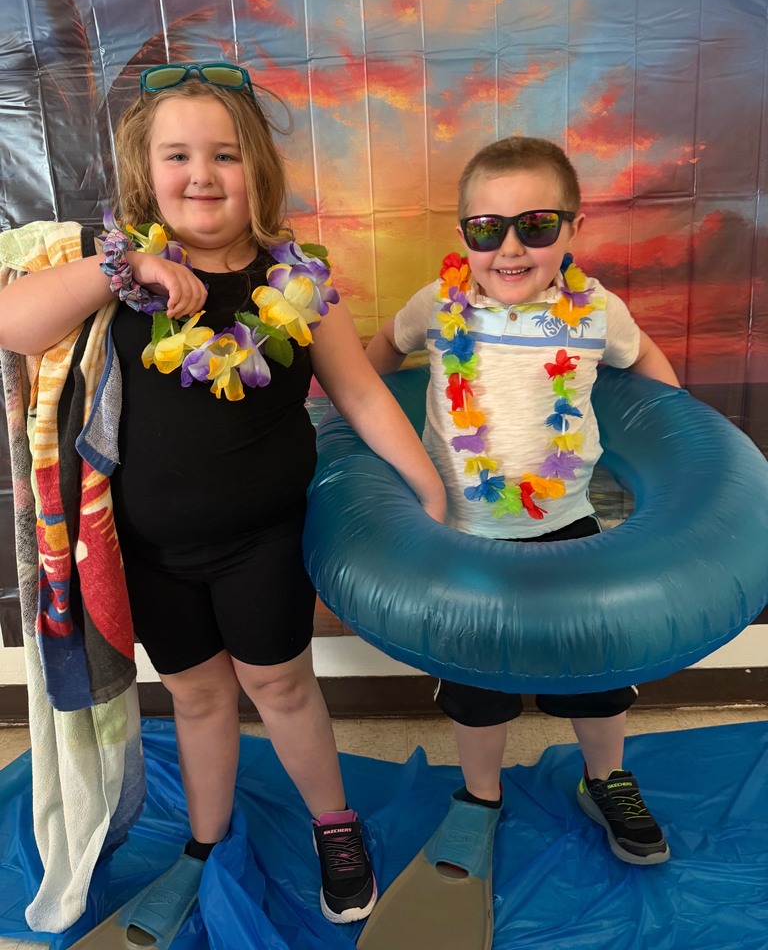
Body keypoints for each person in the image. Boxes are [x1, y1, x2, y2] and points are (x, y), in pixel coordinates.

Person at [0, 62, 446, 930]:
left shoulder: (297, 285)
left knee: (281, 686)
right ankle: (204, 840)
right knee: (197, 695)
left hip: (262, 541)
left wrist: (425, 483)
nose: (201, 174)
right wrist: (125, 264)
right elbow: (14, 325)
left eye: (226, 155)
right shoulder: (118, 276)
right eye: (178, 155)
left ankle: (334, 824)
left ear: (259, 172)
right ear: (147, 171)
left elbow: (359, 393)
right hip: (149, 550)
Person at [365, 136, 680, 870]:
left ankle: (606, 780)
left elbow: (644, 358)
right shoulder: (437, 306)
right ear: (464, 236)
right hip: (462, 534)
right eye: (487, 229)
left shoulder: (596, 311)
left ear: (573, 229)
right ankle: (481, 795)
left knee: (596, 676)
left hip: (569, 527)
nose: (510, 248)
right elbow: (379, 350)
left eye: (535, 226)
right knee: (476, 685)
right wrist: (356, 428)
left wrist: (682, 434)